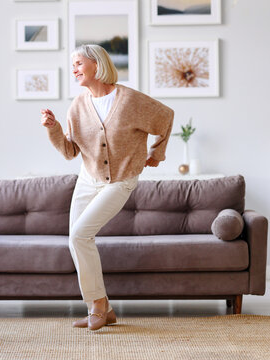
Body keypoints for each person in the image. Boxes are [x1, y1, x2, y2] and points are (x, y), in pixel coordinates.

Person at [41, 45, 174, 331]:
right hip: (87, 180)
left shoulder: (129, 100)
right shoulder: (77, 105)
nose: (74, 69)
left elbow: (165, 118)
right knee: (75, 240)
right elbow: (69, 151)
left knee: (79, 235)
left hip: (121, 180)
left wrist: (156, 154)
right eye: (72, 64)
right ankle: (105, 310)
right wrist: (52, 128)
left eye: (78, 63)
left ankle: (98, 306)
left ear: (96, 63)